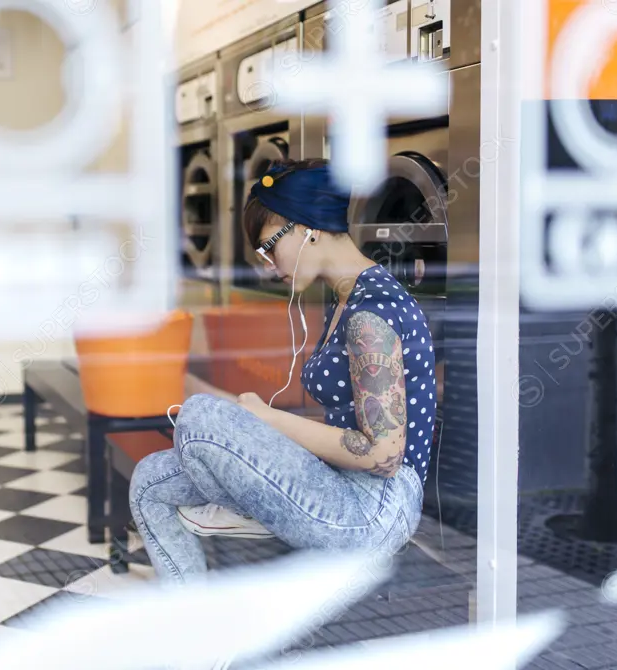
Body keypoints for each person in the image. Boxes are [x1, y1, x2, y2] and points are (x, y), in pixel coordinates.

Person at [129, 159, 436, 587]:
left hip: (374, 508)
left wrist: (269, 422)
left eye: (269, 246)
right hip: (340, 484)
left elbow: (384, 455)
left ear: (303, 228)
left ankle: (246, 499)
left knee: (200, 418)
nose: (270, 265)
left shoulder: (372, 313)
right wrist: (265, 434)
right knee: (149, 482)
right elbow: (347, 426)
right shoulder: (344, 300)